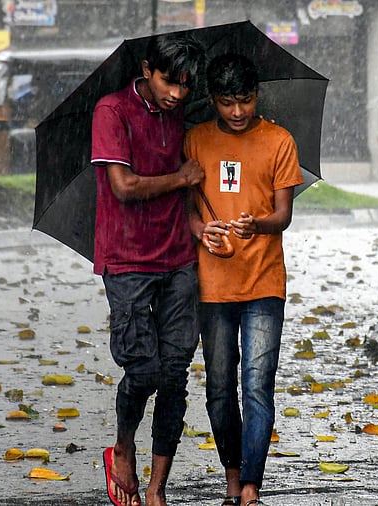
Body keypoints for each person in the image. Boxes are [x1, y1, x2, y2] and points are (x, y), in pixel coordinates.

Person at [90, 33, 206, 506]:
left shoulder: (181, 113)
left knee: (175, 372)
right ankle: (122, 447)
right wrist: (181, 177)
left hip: (178, 255)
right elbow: (123, 185)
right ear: (146, 69)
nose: (177, 94)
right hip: (127, 259)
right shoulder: (111, 112)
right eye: (168, 82)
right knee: (143, 369)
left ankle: (158, 487)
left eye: (185, 85)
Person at [185, 53, 304, 506]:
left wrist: (260, 225)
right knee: (219, 389)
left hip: (264, 283)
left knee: (257, 383)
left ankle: (251, 485)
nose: (238, 112)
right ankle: (232, 477)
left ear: (257, 95)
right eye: (228, 103)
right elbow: (188, 209)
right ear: (213, 99)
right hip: (212, 285)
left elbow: (284, 215)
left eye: (247, 101)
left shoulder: (279, 141)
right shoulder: (194, 141)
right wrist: (202, 229)